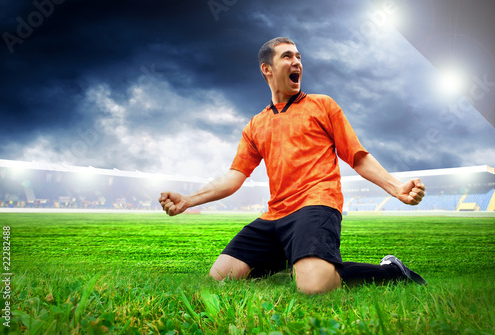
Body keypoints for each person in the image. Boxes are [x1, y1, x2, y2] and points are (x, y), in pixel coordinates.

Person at [159, 37, 427, 294]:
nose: (297, 62)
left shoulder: (323, 106)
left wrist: (396, 188)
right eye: (287, 56)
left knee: (314, 287)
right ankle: (293, 258)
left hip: (316, 205)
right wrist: (188, 200)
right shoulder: (255, 125)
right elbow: (234, 176)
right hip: (275, 216)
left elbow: (358, 157)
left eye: (299, 56)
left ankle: (392, 271)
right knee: (220, 277)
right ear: (267, 69)